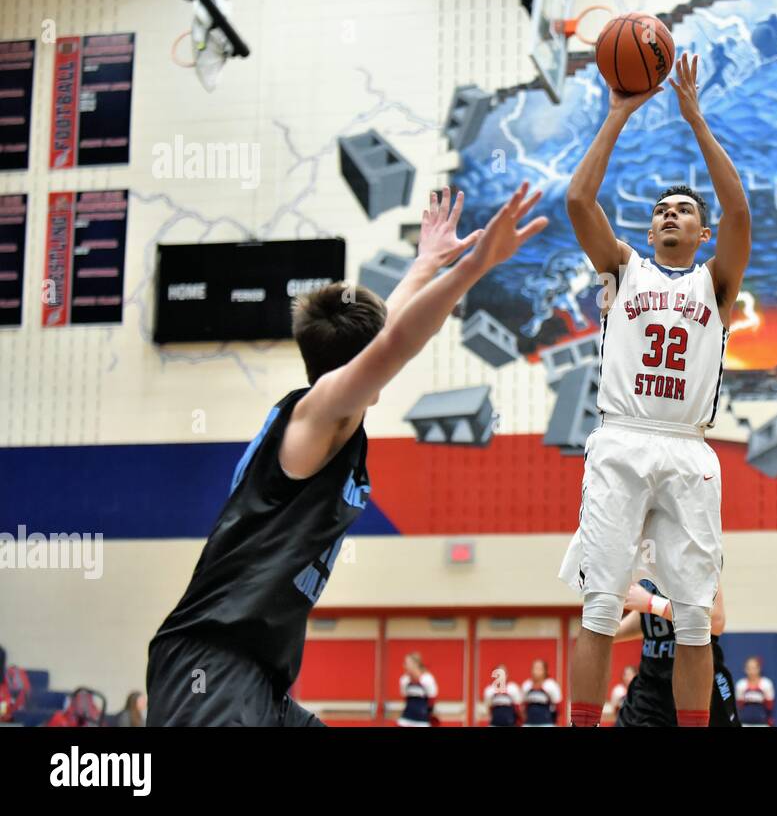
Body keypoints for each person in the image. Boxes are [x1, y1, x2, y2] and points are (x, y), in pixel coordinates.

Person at [146, 186, 546, 727]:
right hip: (211, 663)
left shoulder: (328, 409)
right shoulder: (320, 414)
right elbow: (396, 341)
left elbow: (385, 330)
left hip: (257, 673)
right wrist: (476, 266)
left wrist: (425, 261)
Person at [560, 53, 752, 728]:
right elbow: (579, 201)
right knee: (601, 607)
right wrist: (618, 113)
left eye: (684, 212)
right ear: (649, 231)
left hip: (687, 447)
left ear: (700, 234)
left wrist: (695, 118)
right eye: (662, 211)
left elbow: (739, 209)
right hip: (621, 437)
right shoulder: (623, 268)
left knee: (696, 618)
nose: (672, 215)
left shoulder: (715, 284)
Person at [611, 580, 738, 727]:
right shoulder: (645, 561)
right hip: (651, 685)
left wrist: (652, 603)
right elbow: (648, 618)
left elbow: (716, 621)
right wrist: (605, 631)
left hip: (698, 681)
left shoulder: (696, 558)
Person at [397, 652, 438, 727]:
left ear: (415, 664)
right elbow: (405, 697)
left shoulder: (427, 679)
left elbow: (432, 700)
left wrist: (428, 715)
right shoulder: (404, 680)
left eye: (407, 663)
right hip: (406, 718)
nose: (404, 666)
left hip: (422, 720)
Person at [521, 659, 563, 726]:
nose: (535, 671)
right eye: (534, 668)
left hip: (546, 723)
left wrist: (558, 722)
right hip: (529, 723)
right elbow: (523, 706)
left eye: (539, 668)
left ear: (545, 671)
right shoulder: (526, 685)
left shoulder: (551, 685)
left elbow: (558, 707)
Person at [735, 657, 775, 727]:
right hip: (744, 722)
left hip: (762, 723)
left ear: (759, 668)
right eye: (749, 668)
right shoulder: (740, 684)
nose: (751, 671)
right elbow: (739, 705)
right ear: (745, 669)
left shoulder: (766, 683)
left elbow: (769, 705)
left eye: (754, 668)